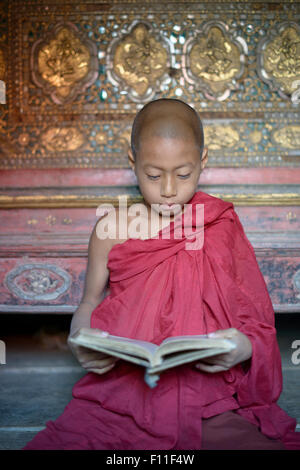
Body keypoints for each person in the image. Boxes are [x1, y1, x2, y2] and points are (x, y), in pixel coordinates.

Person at [24, 99, 300, 450]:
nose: (168, 189)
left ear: (202, 163)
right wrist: (80, 339)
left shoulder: (218, 223)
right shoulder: (112, 228)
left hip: (204, 390)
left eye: (183, 174)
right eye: (153, 175)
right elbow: (89, 302)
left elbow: (255, 318)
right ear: (132, 162)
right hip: (122, 385)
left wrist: (242, 348)